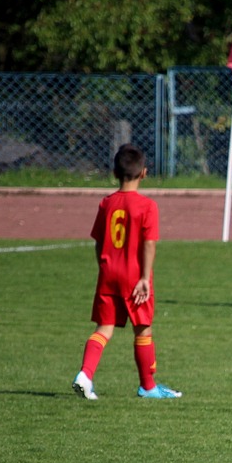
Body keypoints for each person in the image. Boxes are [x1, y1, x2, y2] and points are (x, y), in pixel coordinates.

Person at [72, 144, 182, 401]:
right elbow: (149, 243)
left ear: (114, 173)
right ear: (144, 173)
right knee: (143, 329)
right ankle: (148, 386)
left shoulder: (106, 203)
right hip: (135, 277)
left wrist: (103, 264)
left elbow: (99, 241)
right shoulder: (147, 206)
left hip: (109, 274)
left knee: (104, 328)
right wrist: (144, 277)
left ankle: (85, 375)